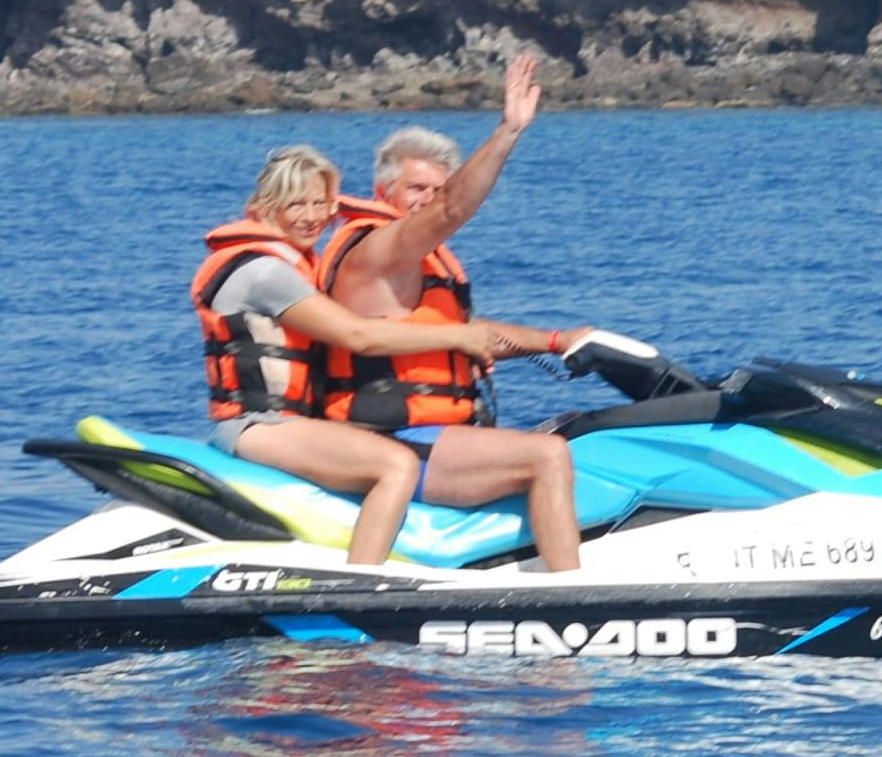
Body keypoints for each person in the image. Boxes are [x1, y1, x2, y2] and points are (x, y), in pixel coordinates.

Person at [194, 143, 561, 567]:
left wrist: (556, 341)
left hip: (285, 424)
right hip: (256, 424)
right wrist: (458, 337)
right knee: (395, 464)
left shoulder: (295, 266)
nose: (312, 216)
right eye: (297, 204)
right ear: (266, 206)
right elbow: (358, 336)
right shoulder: (265, 272)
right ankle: (362, 583)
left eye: (320, 203)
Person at [312, 55, 592, 572]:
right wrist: (508, 131)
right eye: (415, 189)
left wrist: (558, 340)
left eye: (437, 189)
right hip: (390, 440)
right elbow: (453, 211)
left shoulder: (421, 263)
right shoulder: (375, 250)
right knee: (546, 455)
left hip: (435, 435)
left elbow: (463, 335)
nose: (428, 201)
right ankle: (573, 599)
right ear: (383, 193)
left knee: (581, 435)